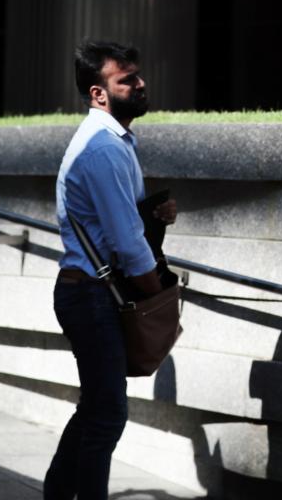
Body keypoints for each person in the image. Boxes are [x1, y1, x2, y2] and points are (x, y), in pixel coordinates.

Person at [44, 41, 176, 500]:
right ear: (99, 93)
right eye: (126, 79)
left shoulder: (112, 142)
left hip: (93, 292)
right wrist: (156, 294)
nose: (140, 84)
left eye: (137, 75)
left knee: (96, 410)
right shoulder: (102, 149)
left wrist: (156, 214)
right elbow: (126, 241)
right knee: (106, 415)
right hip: (90, 296)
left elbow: (122, 224)